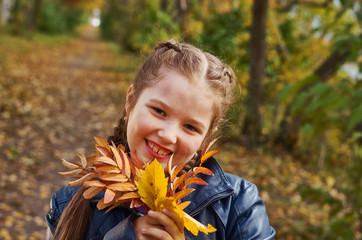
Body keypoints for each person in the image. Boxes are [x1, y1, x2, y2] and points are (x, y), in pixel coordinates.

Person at [45, 39, 276, 240]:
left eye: (190, 126)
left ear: (207, 135)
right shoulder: (69, 204)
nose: (167, 135)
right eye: (159, 111)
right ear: (131, 100)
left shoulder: (239, 207)